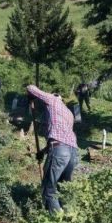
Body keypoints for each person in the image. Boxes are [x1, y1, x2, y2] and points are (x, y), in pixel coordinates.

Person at [27, 85, 79, 213]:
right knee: (63, 187)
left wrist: (30, 96)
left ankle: (56, 222)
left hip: (59, 151)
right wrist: (43, 152)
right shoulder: (69, 113)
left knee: (49, 189)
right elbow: (62, 139)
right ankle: (68, 216)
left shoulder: (53, 99)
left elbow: (30, 88)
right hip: (73, 153)